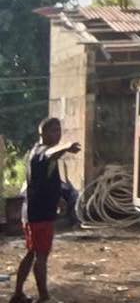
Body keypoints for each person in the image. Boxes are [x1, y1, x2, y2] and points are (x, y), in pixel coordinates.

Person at [10, 118, 80, 303]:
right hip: (38, 215)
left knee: (32, 252)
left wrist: (58, 199)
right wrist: (66, 147)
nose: (57, 134)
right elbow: (50, 153)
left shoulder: (35, 152)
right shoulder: (42, 152)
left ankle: (18, 294)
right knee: (41, 256)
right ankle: (44, 297)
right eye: (53, 131)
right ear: (43, 133)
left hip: (34, 212)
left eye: (59, 130)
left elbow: (42, 181)